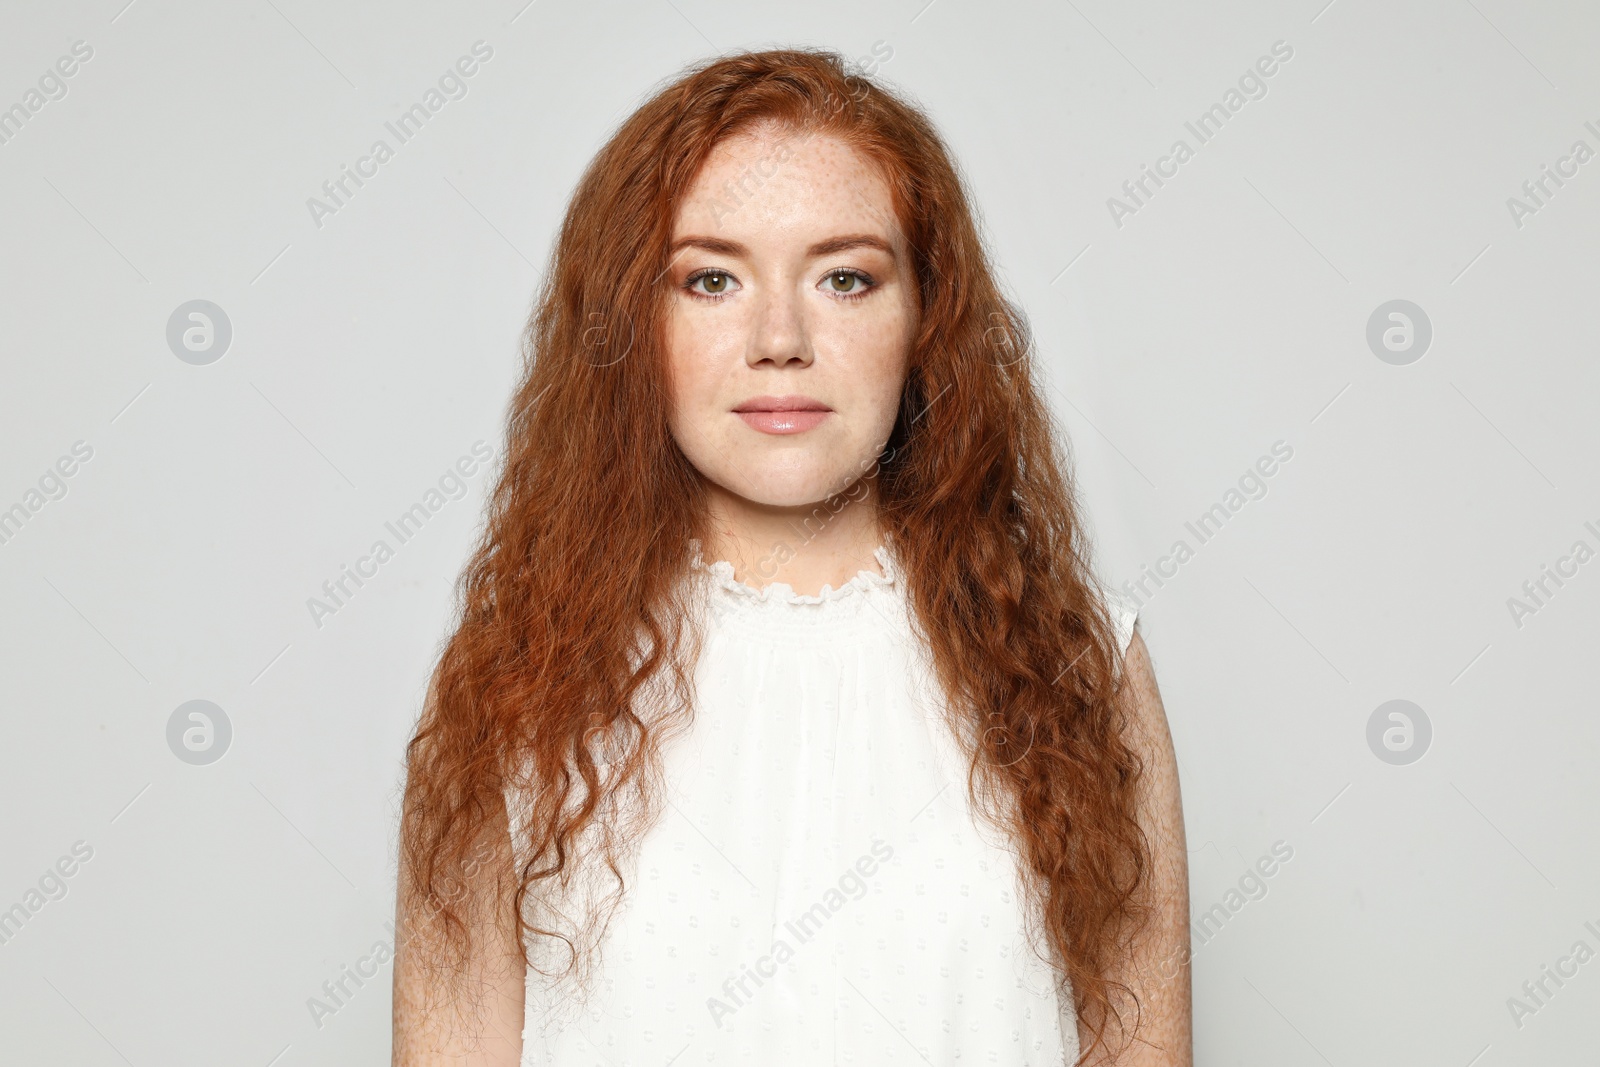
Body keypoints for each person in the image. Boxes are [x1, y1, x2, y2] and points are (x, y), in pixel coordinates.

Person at [393, 46, 1191, 1067]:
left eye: (845, 278)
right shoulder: (515, 674)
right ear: (634, 323)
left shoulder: (1078, 658)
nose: (780, 336)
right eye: (712, 278)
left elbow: (1141, 1046)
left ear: (924, 321)